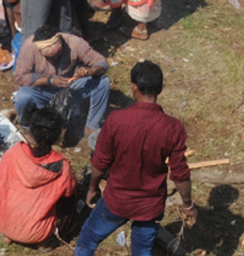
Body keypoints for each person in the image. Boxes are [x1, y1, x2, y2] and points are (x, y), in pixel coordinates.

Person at [75, 61, 195, 256]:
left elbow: (100, 163)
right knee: (142, 252)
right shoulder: (173, 128)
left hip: (116, 200)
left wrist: (92, 188)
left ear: (134, 87)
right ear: (160, 89)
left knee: (86, 243)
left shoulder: (116, 121)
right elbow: (180, 175)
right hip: (149, 206)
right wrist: (188, 204)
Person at [0, 106, 78, 246]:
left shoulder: (14, 152)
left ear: (32, 131)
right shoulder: (63, 167)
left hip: (2, 222)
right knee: (71, 202)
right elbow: (68, 199)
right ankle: (44, 242)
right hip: (36, 233)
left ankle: (8, 235)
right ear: (57, 135)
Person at [13, 25, 110, 134]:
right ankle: (27, 126)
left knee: (103, 82)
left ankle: (91, 126)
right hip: (42, 92)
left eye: (57, 55)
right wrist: (49, 80)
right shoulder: (29, 47)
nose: (54, 59)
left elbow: (101, 62)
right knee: (22, 97)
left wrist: (90, 71)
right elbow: (20, 78)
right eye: (50, 57)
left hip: (70, 89)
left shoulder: (74, 42)